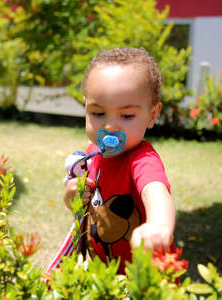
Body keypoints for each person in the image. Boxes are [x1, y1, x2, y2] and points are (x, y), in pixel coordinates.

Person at [63, 47, 175, 274]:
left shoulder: (142, 159)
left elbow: (156, 191)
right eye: (98, 113)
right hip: (101, 277)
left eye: (126, 116)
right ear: (85, 106)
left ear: (152, 115)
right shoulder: (92, 153)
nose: (110, 126)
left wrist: (159, 225)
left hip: (141, 281)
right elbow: (82, 207)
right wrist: (71, 196)